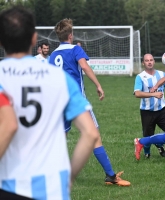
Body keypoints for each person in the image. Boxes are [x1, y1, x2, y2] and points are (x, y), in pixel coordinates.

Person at [0, 6, 99, 199]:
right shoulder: (60, 79)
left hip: (9, 185)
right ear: (34, 39)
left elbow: (9, 125)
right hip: (52, 189)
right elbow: (90, 133)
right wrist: (69, 178)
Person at [49, 18, 130, 186]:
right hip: (76, 101)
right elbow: (84, 67)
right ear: (70, 35)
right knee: (94, 136)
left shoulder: (53, 54)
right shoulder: (75, 50)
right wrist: (98, 85)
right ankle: (110, 176)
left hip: (59, 101)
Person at [134, 53, 165, 158]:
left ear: (154, 61)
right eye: (147, 60)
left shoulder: (161, 74)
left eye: (151, 60)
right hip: (147, 112)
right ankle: (147, 153)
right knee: (147, 137)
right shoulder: (140, 77)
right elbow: (137, 93)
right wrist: (153, 94)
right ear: (143, 63)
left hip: (162, 110)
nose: (149, 62)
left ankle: (159, 144)